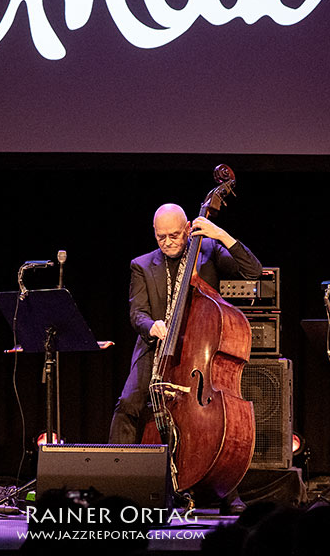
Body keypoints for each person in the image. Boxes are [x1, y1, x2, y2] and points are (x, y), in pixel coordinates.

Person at [108, 202, 262, 512]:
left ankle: (227, 491)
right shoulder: (141, 264)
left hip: (197, 351)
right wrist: (153, 326)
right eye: (161, 237)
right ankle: (119, 484)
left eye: (174, 236)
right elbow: (136, 313)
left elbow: (253, 272)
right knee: (127, 405)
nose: (167, 243)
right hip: (155, 349)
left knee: (214, 422)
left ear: (188, 229)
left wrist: (221, 235)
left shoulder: (208, 253)